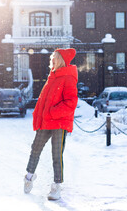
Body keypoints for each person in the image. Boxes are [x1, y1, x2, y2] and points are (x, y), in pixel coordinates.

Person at [24, 48, 78, 200]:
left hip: (59, 123)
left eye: (55, 58)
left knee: (56, 154)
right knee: (35, 148)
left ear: (61, 60)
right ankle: (29, 177)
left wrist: (53, 113)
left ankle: (56, 186)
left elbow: (71, 102)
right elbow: (43, 100)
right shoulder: (52, 76)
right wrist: (39, 115)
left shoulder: (68, 77)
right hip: (46, 121)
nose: (53, 60)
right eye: (52, 58)